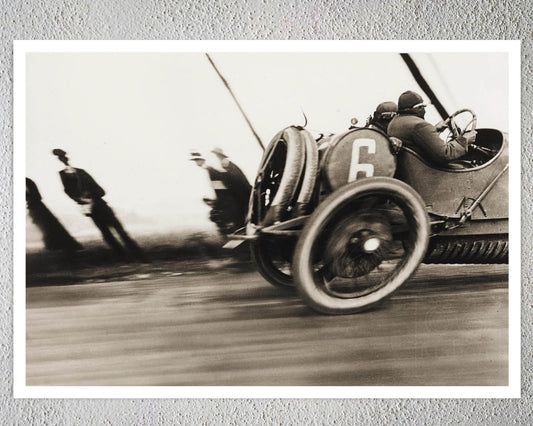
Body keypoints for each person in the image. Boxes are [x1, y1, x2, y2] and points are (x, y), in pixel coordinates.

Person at [52, 149, 147, 262]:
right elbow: (68, 191)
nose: (64, 160)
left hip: (101, 206)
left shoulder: (82, 172)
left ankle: (138, 255)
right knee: (107, 234)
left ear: (67, 158)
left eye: (64, 158)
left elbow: (101, 190)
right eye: (61, 158)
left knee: (119, 231)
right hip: (91, 209)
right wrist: (80, 199)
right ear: (59, 160)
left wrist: (90, 194)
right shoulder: (63, 175)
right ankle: (122, 257)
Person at [387, 90, 468, 165]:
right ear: (418, 108)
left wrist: (434, 129)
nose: (424, 111)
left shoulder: (394, 122)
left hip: (409, 170)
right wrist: (464, 140)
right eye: (423, 107)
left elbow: (415, 138)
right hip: (428, 173)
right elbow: (445, 154)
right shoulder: (420, 125)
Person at [190, 151, 243, 235]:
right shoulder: (212, 169)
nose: (196, 163)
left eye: (197, 160)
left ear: (202, 160)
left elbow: (221, 191)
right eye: (195, 160)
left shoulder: (211, 170)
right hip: (230, 199)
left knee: (215, 215)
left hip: (230, 201)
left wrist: (215, 203)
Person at [26, 177, 83, 253]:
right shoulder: (27, 181)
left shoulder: (26, 181)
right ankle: (59, 246)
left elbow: (34, 195)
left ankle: (57, 246)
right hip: (36, 206)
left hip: (36, 206)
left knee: (47, 226)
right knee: (49, 225)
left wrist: (29, 200)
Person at [211, 147, 251, 225]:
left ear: (220, 155)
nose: (217, 157)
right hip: (242, 191)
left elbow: (234, 179)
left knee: (240, 210)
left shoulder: (225, 163)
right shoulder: (228, 164)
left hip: (241, 192)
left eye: (217, 155)